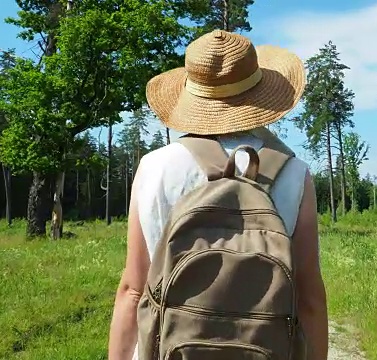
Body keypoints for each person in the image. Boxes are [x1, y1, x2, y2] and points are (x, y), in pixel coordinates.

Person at [107, 29, 328, 360]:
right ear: (259, 94)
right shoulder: (295, 173)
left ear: (192, 96)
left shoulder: (154, 167)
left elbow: (132, 290)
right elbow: (309, 298)